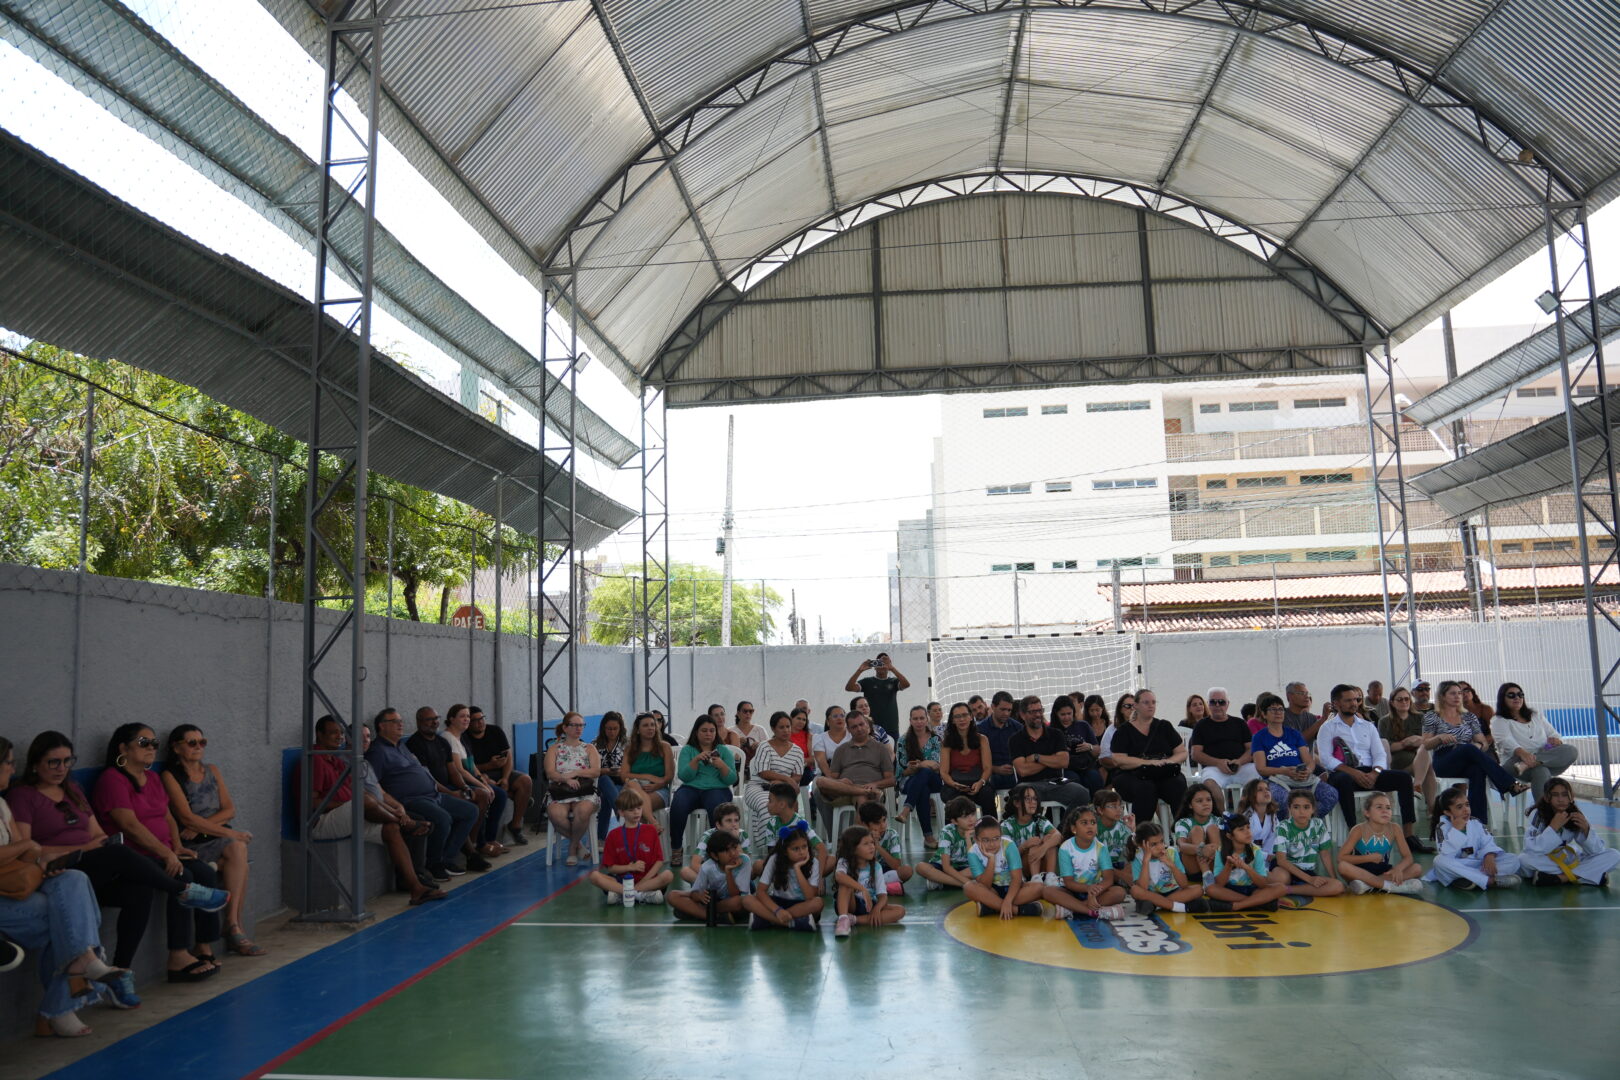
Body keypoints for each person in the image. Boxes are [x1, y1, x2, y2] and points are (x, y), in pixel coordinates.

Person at [4, 731, 195, 991]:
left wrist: (95, 845)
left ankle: (121, 973)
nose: (61, 768)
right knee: (118, 855)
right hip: (59, 869)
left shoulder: (72, 790)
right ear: (35, 763)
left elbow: (98, 834)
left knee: (140, 890)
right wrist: (84, 847)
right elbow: (29, 850)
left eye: (67, 761)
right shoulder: (22, 796)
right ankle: (182, 890)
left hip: (93, 864)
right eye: (53, 762)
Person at [0, 735, 138, 1037]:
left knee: (75, 880)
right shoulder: (21, 797)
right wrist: (31, 848)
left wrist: (35, 854)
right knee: (67, 921)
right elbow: (25, 845)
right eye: (8, 763)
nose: (12, 769)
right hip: (6, 896)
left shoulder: (3, 804)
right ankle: (63, 1000)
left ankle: (79, 969)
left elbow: (26, 850)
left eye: (67, 761)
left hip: (24, 881)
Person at [91, 724, 230, 983]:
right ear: (123, 747)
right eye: (144, 742)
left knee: (203, 872)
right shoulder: (112, 779)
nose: (152, 748)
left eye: (154, 743)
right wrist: (167, 854)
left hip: (164, 851)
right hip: (136, 856)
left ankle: (204, 947)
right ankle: (178, 956)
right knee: (183, 874)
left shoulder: (152, 777)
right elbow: (129, 825)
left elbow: (167, 816)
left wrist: (176, 846)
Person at [309, 717, 444, 904]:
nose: (339, 737)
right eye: (333, 733)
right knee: (364, 801)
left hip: (350, 814)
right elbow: (313, 803)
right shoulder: (315, 760)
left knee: (391, 828)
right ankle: (409, 825)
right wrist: (350, 806)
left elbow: (366, 793)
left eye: (340, 732)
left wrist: (394, 810)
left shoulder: (335, 761)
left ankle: (416, 888)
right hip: (321, 821)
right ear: (319, 735)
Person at [161, 725, 263, 957]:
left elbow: (229, 810)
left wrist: (204, 827)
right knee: (239, 852)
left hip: (211, 835)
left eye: (202, 742)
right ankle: (233, 926)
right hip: (191, 843)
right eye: (192, 743)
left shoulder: (212, 770)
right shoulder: (170, 776)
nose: (198, 747)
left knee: (238, 850)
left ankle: (231, 922)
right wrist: (229, 833)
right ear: (176, 748)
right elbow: (186, 817)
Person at [1317, 684, 1430, 853]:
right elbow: (1326, 759)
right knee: (1344, 781)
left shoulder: (1367, 726)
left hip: (1370, 773)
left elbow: (1379, 754)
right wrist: (1354, 772)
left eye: (1355, 700)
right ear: (1336, 704)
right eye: (1348, 700)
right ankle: (1355, 837)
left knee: (1404, 779)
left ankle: (1408, 836)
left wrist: (1375, 772)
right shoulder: (1328, 727)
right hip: (1344, 773)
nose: (1354, 703)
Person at [367, 708, 479, 879]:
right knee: (442, 819)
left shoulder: (402, 747)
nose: (400, 724)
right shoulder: (378, 751)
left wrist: (451, 792)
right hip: (411, 800)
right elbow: (374, 785)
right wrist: (394, 806)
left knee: (470, 811)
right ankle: (434, 864)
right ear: (382, 727)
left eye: (401, 720)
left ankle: (446, 858)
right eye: (395, 721)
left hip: (434, 795)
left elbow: (425, 773)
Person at [1421, 680, 1528, 824]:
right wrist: (1439, 738)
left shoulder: (1469, 717)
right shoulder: (1432, 716)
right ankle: (1508, 783)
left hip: (1468, 757)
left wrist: (1477, 746)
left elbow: (1483, 742)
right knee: (1468, 748)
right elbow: (1426, 744)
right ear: (1442, 696)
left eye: (1460, 693)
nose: (1458, 696)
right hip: (1444, 760)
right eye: (1453, 693)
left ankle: (1478, 823)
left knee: (1477, 770)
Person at [406, 707, 493, 871]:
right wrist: (452, 793)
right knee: (451, 814)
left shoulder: (441, 742)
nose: (434, 722)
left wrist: (465, 787)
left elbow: (453, 770)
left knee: (473, 804)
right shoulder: (415, 744)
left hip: (448, 787)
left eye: (436, 718)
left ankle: (459, 853)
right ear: (419, 722)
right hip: (432, 791)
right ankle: (463, 855)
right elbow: (427, 778)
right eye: (429, 720)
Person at [1101, 689, 1187, 826]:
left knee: (1178, 784)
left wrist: (1168, 762)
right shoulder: (1124, 731)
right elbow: (1118, 759)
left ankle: (1182, 831)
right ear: (1135, 706)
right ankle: (1141, 835)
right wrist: (1147, 762)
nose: (1151, 706)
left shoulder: (1164, 726)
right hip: (1131, 775)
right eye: (1146, 702)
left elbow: (1182, 752)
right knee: (1146, 789)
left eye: (1153, 702)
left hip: (1161, 772)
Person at [1250, 692, 1337, 819]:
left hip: (1301, 777)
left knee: (1331, 795)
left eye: (1281, 709)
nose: (1278, 712)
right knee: (1282, 800)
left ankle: (1307, 823)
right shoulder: (1259, 737)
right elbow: (1261, 768)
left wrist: (1308, 771)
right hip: (1276, 779)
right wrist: (1284, 771)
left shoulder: (1294, 734)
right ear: (1264, 714)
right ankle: (1290, 830)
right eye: (1273, 709)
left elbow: (1309, 761)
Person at [1521, 778, 1617, 886]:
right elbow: (1532, 849)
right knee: (1524, 860)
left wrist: (1586, 830)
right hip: (1546, 858)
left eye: (1565, 795)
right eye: (1555, 795)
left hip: (1568, 858)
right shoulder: (1539, 814)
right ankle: (1585, 876)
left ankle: (1562, 878)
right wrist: (1553, 827)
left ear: (1571, 797)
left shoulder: (1574, 813)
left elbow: (1597, 851)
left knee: (1614, 854)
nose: (1561, 799)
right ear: (1547, 797)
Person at [1424, 786, 1521, 890]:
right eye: (1459, 807)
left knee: (1513, 859)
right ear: (1447, 812)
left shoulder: (1475, 822)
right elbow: (1447, 853)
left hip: (1478, 863)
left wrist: (1489, 855)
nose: (1466, 810)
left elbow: (1488, 841)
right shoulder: (1442, 826)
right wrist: (1457, 830)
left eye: (1467, 805)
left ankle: (1465, 879)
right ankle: (1489, 881)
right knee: (1439, 861)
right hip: (1458, 864)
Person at [443, 705, 508, 861]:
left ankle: (489, 838)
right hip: (458, 783)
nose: (466, 719)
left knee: (499, 794)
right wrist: (483, 785)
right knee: (483, 795)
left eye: (467, 716)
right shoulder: (448, 738)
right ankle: (476, 843)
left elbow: (472, 767)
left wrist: (482, 780)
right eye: (462, 716)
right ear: (451, 719)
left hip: (471, 779)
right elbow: (461, 771)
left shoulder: (463, 737)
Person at [670, 715, 737, 864]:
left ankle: (718, 850)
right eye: (704, 730)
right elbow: (684, 776)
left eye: (712, 731)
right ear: (696, 732)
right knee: (678, 804)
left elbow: (731, 779)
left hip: (717, 788)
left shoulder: (723, 750)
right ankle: (676, 848)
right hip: (691, 787)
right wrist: (695, 760)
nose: (708, 734)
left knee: (716, 806)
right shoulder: (688, 750)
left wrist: (721, 765)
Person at [1494, 683, 1578, 800]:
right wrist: (1523, 754)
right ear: (1503, 699)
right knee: (1541, 771)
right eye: (1511, 695)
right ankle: (1545, 813)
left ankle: (1532, 763)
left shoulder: (1535, 715)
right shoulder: (1499, 720)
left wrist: (1556, 741)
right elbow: (1506, 741)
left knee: (1571, 750)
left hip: (1535, 761)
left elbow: (1553, 734)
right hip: (1515, 764)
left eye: (1520, 694)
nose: (1517, 698)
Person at [1009, 695, 1090, 813]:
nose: (1037, 715)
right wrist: (1052, 761)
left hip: (1056, 783)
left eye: (1039, 710)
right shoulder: (1015, 739)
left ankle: (1064, 829)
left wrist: (1037, 757)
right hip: (1029, 785)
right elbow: (1023, 770)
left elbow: (1064, 761)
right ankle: (1032, 830)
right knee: (1020, 793)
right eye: (1032, 712)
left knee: (1083, 793)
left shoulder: (1056, 734)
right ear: (1022, 715)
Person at [1043, 805, 1126, 920]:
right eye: (1084, 823)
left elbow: (1108, 879)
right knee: (1048, 891)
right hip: (1072, 890)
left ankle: (1072, 908)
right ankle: (1094, 912)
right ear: (1074, 829)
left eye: (1093, 822)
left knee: (1119, 892)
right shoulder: (1066, 848)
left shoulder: (1101, 848)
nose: (1090, 826)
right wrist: (1087, 889)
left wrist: (1093, 893)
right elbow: (1069, 882)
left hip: (1096, 891)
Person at [815, 715, 894, 837]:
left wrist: (875, 784)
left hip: (871, 788)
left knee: (862, 799)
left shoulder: (880, 749)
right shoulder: (841, 750)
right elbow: (833, 778)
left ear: (868, 726)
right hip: (847, 789)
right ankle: (861, 791)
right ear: (849, 730)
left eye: (861, 724)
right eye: (854, 726)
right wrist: (841, 781)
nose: (859, 729)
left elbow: (891, 779)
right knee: (820, 781)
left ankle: (858, 844)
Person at [588, 790, 671, 905]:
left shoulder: (651, 830)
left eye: (639, 808)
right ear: (621, 812)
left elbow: (659, 862)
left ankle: (624, 895)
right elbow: (611, 868)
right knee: (594, 876)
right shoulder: (613, 835)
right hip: (623, 881)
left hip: (648, 881)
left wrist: (644, 882)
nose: (636, 812)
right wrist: (630, 867)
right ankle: (641, 895)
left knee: (668, 875)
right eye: (631, 810)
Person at [466, 705, 533, 848]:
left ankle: (515, 826)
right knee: (500, 792)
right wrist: (489, 766)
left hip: (501, 771)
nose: (480, 722)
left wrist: (506, 778)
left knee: (525, 781)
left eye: (482, 718)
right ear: (468, 723)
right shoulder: (465, 738)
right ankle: (518, 798)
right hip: (481, 774)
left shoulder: (495, 731)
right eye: (475, 720)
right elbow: (468, 767)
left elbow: (508, 757)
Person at [1335, 791, 1424, 894]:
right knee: (1342, 867)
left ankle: (1368, 885)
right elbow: (1340, 858)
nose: (1384, 811)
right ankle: (1390, 886)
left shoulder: (1395, 828)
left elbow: (1408, 857)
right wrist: (1369, 858)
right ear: (1367, 813)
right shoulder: (1358, 830)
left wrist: (1398, 869)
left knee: (1417, 868)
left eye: (1388, 807)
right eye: (1379, 807)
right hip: (1360, 872)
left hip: (1382, 871)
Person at [544, 712, 602, 866]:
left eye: (581, 725)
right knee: (555, 814)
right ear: (565, 727)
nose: (579, 728)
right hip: (561, 791)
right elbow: (550, 773)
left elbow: (596, 771)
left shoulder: (589, 748)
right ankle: (578, 845)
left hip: (585, 792)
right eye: (575, 725)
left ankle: (571, 849)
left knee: (582, 811)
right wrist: (566, 779)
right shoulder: (554, 749)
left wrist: (576, 772)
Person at [669, 829, 760, 925]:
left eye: (734, 848)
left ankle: (696, 913)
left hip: (730, 902)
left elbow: (736, 895)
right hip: (712, 900)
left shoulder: (744, 861)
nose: (733, 853)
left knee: (740, 902)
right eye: (726, 850)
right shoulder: (707, 867)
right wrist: (700, 896)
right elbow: (694, 894)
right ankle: (717, 917)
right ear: (715, 855)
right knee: (672, 895)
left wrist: (728, 872)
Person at [1190, 687, 1260, 811]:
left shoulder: (1239, 723)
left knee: (1259, 783)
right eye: (1213, 702)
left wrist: (1239, 761)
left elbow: (1251, 750)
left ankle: (1244, 818)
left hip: (1241, 766)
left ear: (1228, 704)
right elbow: (1195, 754)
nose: (1217, 705)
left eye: (1221, 702)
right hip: (1214, 768)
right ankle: (1222, 821)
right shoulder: (1201, 725)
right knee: (1209, 785)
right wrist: (1218, 762)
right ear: (1208, 704)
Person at [1267, 790, 1345, 900]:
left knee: (1337, 886)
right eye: (1296, 807)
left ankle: (1288, 890)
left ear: (1313, 809)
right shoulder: (1283, 827)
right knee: (1281, 878)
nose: (1301, 811)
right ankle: (1282, 885)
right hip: (1285, 868)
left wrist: (1333, 878)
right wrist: (1310, 880)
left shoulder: (1318, 824)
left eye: (1306, 807)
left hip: (1307, 871)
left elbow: (1325, 854)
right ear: (1289, 809)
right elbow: (1281, 861)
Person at [745, 712, 805, 852]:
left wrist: (783, 783)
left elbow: (797, 776)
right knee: (769, 807)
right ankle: (772, 851)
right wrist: (786, 779)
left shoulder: (797, 751)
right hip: (759, 786)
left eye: (788, 727)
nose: (786, 730)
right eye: (781, 727)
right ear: (773, 729)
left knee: (786, 808)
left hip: (782, 790)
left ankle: (789, 847)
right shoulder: (764, 746)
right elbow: (763, 772)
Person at [1208, 814, 1291, 912]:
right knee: (1211, 889)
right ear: (1230, 835)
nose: (1247, 832)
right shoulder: (1220, 851)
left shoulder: (1256, 851)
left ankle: (1237, 906)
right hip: (1230, 891)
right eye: (1241, 829)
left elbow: (1263, 884)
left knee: (1281, 888)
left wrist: (1246, 868)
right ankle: (1257, 903)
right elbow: (1220, 884)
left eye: (1248, 827)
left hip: (1252, 890)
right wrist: (1228, 865)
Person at [965, 816, 1044, 919]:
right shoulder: (973, 853)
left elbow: (1017, 879)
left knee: (1039, 887)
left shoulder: (1008, 845)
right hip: (992, 891)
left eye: (996, 838)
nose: (992, 844)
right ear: (976, 839)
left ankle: (992, 907)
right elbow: (985, 885)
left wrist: (1008, 901)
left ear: (1001, 836)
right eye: (985, 840)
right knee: (968, 887)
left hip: (1014, 890)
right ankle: (1018, 910)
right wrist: (991, 860)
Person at [832, 826, 904, 937]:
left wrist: (877, 909)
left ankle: (854, 920)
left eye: (872, 843)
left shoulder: (876, 866)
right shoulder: (844, 862)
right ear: (853, 848)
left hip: (869, 905)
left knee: (900, 911)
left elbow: (883, 896)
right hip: (850, 904)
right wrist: (862, 889)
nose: (872, 847)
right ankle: (843, 919)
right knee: (846, 884)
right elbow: (839, 876)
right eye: (866, 844)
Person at [753, 823, 824, 931]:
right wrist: (778, 910)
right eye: (795, 849)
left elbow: (810, 896)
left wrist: (797, 869)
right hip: (778, 903)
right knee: (748, 900)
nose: (801, 852)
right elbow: (761, 892)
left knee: (818, 903)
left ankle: (771, 920)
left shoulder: (813, 862)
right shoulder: (775, 859)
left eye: (804, 847)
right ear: (785, 851)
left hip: (801, 905)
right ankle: (792, 923)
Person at [1124, 822, 1205, 915]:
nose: (1160, 847)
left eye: (1161, 841)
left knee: (1199, 889)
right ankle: (1178, 907)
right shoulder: (1138, 858)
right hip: (1151, 894)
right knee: (1135, 890)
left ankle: (1158, 905)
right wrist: (1146, 861)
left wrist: (1171, 864)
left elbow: (1184, 885)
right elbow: (1143, 887)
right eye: (1153, 844)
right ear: (1142, 845)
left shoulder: (1171, 852)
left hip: (1172, 892)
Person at [1377, 686, 1435, 812]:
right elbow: (1386, 746)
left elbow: (1427, 740)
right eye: (1400, 700)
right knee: (1428, 766)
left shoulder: (1419, 717)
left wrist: (1417, 739)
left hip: (1419, 758)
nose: (1404, 702)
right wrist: (1405, 743)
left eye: (1406, 699)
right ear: (1392, 702)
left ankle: (1418, 787)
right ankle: (1431, 807)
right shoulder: (1385, 721)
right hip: (1398, 763)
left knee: (1425, 752)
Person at [757, 782, 829, 874]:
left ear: (782, 805)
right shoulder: (772, 823)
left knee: (831, 859)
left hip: (802, 866)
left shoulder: (801, 823)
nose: (767, 805)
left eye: (770, 801)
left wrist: (819, 879)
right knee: (757, 865)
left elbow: (822, 848)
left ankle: (809, 879)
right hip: (782, 866)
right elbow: (772, 853)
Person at [895, 705, 942, 847]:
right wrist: (916, 767)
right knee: (923, 789)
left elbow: (936, 765)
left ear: (927, 719)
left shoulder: (935, 739)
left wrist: (919, 766)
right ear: (910, 720)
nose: (919, 721)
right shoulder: (903, 740)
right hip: (909, 780)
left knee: (925, 772)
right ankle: (928, 837)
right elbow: (901, 771)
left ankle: (906, 810)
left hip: (934, 779)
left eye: (922, 718)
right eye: (915, 719)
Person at [941, 702, 996, 817]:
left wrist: (980, 783)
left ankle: (990, 830)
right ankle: (953, 832)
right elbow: (944, 772)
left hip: (978, 782)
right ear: (952, 720)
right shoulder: (946, 742)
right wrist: (955, 784)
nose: (962, 719)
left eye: (965, 715)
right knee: (953, 800)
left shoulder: (982, 739)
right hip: (955, 784)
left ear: (971, 717)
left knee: (987, 794)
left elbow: (987, 768)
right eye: (957, 716)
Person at [913, 796, 978, 891]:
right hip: (943, 866)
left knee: (978, 868)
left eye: (972, 814)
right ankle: (962, 884)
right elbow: (946, 867)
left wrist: (968, 839)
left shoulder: (979, 829)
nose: (971, 819)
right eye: (965, 817)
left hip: (965, 867)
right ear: (954, 821)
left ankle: (942, 882)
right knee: (921, 867)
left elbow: (975, 862)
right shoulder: (947, 832)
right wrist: (967, 883)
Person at [1001, 783, 1062, 885]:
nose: (1033, 802)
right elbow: (1005, 857)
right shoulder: (1006, 826)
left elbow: (1058, 836)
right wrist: (1025, 846)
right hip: (1020, 869)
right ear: (1017, 803)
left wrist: (1043, 847)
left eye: (1035, 799)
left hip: (1041, 864)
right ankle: (1035, 879)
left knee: (1050, 838)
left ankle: (1051, 877)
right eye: (1027, 799)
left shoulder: (1039, 820)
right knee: (1034, 844)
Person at [845, 651, 911, 739]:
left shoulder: (894, 681)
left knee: (892, 752)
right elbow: (849, 688)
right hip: (871, 727)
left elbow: (906, 684)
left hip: (892, 727)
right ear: (874, 667)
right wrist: (859, 670)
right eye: (879, 663)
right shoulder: (867, 681)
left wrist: (892, 669)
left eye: (885, 663)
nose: (882, 666)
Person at [681, 802, 748, 884]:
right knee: (685, 871)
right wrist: (715, 878)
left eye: (736, 820)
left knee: (755, 868)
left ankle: (712, 890)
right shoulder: (708, 836)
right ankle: (710, 890)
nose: (734, 824)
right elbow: (695, 863)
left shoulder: (743, 835)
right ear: (718, 825)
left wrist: (736, 841)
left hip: (734, 875)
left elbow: (746, 864)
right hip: (712, 875)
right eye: (729, 821)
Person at [623, 712, 674, 816]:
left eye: (652, 725)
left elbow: (669, 776)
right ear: (637, 730)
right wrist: (648, 776)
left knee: (637, 807)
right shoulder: (630, 749)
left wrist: (657, 785)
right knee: (633, 804)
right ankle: (652, 824)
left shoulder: (665, 747)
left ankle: (648, 828)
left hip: (659, 789)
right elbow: (624, 775)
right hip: (635, 788)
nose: (650, 728)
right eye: (645, 725)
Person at [1051, 695, 1103, 792]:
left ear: (1073, 712)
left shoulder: (1083, 725)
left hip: (1085, 766)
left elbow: (1098, 751)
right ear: (1056, 714)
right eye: (1063, 714)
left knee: (1094, 778)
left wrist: (1089, 747)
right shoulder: (1051, 731)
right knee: (1074, 781)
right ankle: (1079, 806)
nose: (1067, 717)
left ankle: (1096, 805)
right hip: (1065, 769)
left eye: (1069, 713)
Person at [588, 712, 627, 843]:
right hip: (599, 782)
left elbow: (632, 767)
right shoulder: (594, 744)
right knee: (604, 779)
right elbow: (589, 769)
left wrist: (621, 771)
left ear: (620, 728)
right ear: (603, 729)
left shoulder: (626, 744)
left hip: (621, 782)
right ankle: (621, 814)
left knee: (606, 797)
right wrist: (605, 771)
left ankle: (600, 839)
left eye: (615, 728)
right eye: (609, 728)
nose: (612, 732)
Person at [859, 800, 910, 893]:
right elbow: (862, 865)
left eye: (884, 820)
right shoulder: (859, 836)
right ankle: (885, 887)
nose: (883, 826)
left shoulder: (892, 834)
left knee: (907, 871)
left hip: (886, 872)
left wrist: (877, 846)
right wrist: (870, 842)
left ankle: (874, 887)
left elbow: (896, 865)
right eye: (877, 823)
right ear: (865, 824)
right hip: (865, 872)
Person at [1172, 786, 1219, 879]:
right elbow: (1181, 846)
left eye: (1209, 800)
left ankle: (1215, 874)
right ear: (1190, 805)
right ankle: (1206, 875)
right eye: (1199, 801)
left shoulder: (1218, 821)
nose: (1205, 804)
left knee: (1213, 829)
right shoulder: (1183, 822)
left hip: (1214, 865)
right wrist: (1201, 849)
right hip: (1192, 868)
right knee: (1197, 830)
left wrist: (1211, 850)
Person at [977, 691, 1019, 792]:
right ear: (993, 707)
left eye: (1009, 710)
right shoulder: (980, 729)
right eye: (1003, 709)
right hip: (990, 773)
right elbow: (975, 758)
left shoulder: (1017, 728)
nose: (1006, 713)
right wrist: (995, 769)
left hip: (1014, 772)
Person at [1093, 788, 1133, 878]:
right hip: (1100, 868)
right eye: (1113, 806)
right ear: (1100, 810)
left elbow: (1134, 853)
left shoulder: (1124, 827)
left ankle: (1120, 880)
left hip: (1121, 866)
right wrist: (1123, 876)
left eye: (1120, 806)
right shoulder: (1093, 829)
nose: (1119, 810)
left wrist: (1133, 830)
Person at [1239, 778, 1280, 856]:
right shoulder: (1246, 816)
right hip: (1245, 857)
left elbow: (1272, 840)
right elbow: (1244, 845)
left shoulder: (1272, 816)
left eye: (1267, 789)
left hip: (1265, 858)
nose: (1266, 791)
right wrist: (1265, 856)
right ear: (1251, 795)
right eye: (1260, 790)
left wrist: (1269, 856)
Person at [811, 706, 851, 782]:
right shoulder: (819, 738)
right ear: (828, 721)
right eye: (835, 716)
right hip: (827, 777)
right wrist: (832, 780)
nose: (839, 718)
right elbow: (821, 761)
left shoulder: (853, 735)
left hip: (851, 775)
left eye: (842, 716)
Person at [730, 702, 768, 775]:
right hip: (737, 769)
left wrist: (760, 744)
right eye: (745, 711)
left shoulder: (760, 729)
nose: (748, 714)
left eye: (751, 711)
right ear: (738, 713)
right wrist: (737, 743)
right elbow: (727, 752)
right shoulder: (731, 731)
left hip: (757, 768)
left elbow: (769, 747)